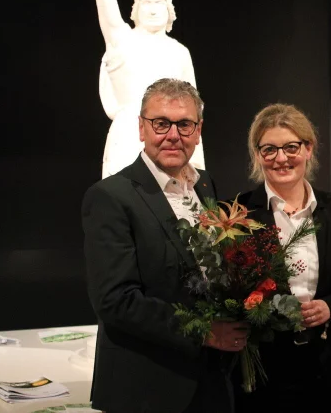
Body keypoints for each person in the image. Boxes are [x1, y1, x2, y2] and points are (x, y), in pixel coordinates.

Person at [83, 78, 246, 413]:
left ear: (198, 131)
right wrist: (204, 332)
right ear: (142, 128)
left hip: (211, 381)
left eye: (184, 124)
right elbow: (115, 300)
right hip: (147, 389)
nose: (173, 135)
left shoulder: (205, 183)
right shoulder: (111, 197)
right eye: (161, 123)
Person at [235, 104, 331, 413]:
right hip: (265, 374)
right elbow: (228, 293)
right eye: (269, 149)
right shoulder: (238, 212)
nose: (281, 158)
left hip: (329, 369)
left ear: (308, 148)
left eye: (291, 147)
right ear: (257, 155)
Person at [90, 0, 205, 179]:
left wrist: (197, 164)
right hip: (128, 137)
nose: (153, 10)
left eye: (159, 4)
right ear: (135, 8)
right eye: (147, 3)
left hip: (173, 140)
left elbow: (193, 111)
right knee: (124, 200)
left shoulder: (179, 51)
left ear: (170, 9)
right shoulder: (121, 41)